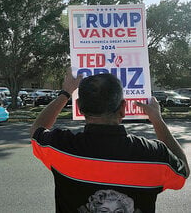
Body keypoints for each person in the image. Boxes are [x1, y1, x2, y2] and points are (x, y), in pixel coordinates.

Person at [30, 69, 189, 212]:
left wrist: (65, 94)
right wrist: (157, 119)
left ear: (79, 107)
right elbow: (183, 171)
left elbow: (37, 130)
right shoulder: (155, 155)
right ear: (123, 108)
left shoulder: (60, 146)